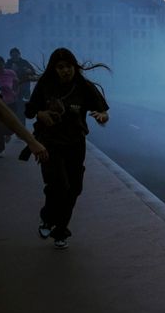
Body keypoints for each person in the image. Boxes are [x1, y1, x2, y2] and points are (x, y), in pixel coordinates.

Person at [25, 48, 109, 249]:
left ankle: (60, 230)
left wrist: (102, 117)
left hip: (75, 144)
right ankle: (48, 218)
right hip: (50, 143)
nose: (65, 71)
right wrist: (40, 113)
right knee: (59, 185)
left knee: (74, 188)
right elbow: (29, 111)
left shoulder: (84, 86)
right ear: (54, 69)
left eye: (69, 66)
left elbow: (102, 111)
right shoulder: (45, 86)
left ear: (75, 67)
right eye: (60, 67)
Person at [0, 67, 47, 161]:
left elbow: (19, 81)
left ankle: (9, 133)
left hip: (12, 101)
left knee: (12, 122)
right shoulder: (0, 70)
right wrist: (31, 141)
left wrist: (17, 92)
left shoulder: (15, 69)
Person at [0, 56, 19, 156]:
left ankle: (7, 133)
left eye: (0, 64)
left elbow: (16, 84)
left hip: (10, 102)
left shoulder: (10, 73)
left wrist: (15, 93)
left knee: (11, 123)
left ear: (3, 64)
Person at [6, 47, 36, 123]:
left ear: (19, 55)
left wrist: (28, 70)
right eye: (13, 55)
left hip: (24, 90)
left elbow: (33, 72)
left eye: (16, 55)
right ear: (10, 56)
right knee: (13, 108)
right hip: (12, 90)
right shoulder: (8, 64)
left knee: (22, 109)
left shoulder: (24, 62)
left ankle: (22, 126)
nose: (15, 56)